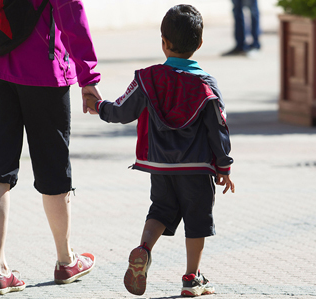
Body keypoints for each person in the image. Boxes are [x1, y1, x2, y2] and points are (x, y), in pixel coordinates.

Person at [0, 0, 102, 295]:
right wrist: (88, 77)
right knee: (53, 167)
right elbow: (71, 11)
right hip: (42, 68)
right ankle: (66, 260)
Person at [85, 4, 235, 297]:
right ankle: (192, 278)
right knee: (197, 220)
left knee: (161, 209)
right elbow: (218, 127)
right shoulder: (206, 84)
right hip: (196, 167)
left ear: (163, 42)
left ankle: (143, 249)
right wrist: (224, 166)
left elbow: (122, 110)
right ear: (199, 44)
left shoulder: (148, 78)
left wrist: (98, 107)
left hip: (160, 165)